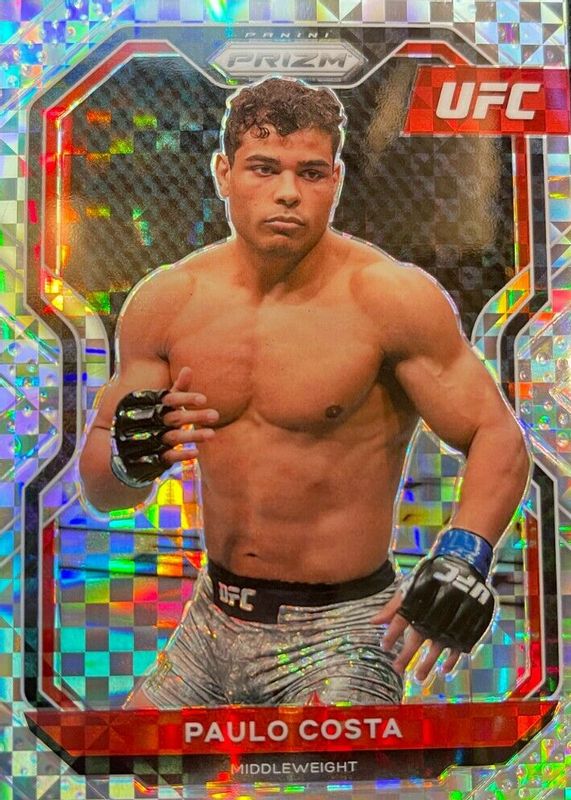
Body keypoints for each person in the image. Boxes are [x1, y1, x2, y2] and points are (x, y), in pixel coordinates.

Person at [79, 77, 530, 708]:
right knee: (126, 761)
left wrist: (464, 554)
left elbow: (496, 434)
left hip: (344, 633)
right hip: (210, 622)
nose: (288, 192)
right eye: (264, 168)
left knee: (324, 763)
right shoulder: (168, 301)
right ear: (223, 173)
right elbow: (104, 492)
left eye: (311, 173)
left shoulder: (389, 298)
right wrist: (130, 461)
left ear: (336, 181)